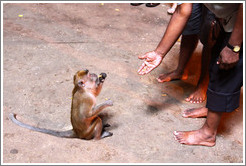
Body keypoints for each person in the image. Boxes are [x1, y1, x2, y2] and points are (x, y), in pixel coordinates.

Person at [138, 3, 243, 146]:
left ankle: (208, 134)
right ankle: (212, 108)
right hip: (228, 18)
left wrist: (233, 47)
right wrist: (159, 53)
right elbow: (183, 10)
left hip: (240, 23)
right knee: (216, 60)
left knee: (225, 72)